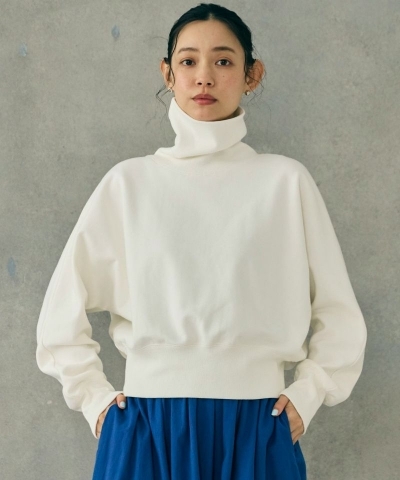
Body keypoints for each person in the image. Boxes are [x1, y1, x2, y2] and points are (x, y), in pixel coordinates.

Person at [35, 3, 367, 479]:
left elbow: (340, 315)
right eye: (188, 61)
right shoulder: (129, 184)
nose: (204, 77)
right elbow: (59, 317)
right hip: (147, 427)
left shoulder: (285, 183)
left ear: (252, 75)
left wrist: (309, 393)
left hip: (258, 425)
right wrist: (95, 401)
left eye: (223, 61)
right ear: (167, 74)